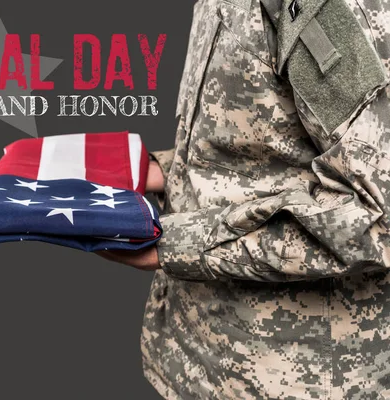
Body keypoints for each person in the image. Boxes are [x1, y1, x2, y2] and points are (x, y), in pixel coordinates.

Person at [97, 0, 390, 397]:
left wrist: (172, 244)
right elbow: (266, 140)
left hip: (292, 378)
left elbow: (376, 217)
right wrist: (163, 171)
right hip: (197, 357)